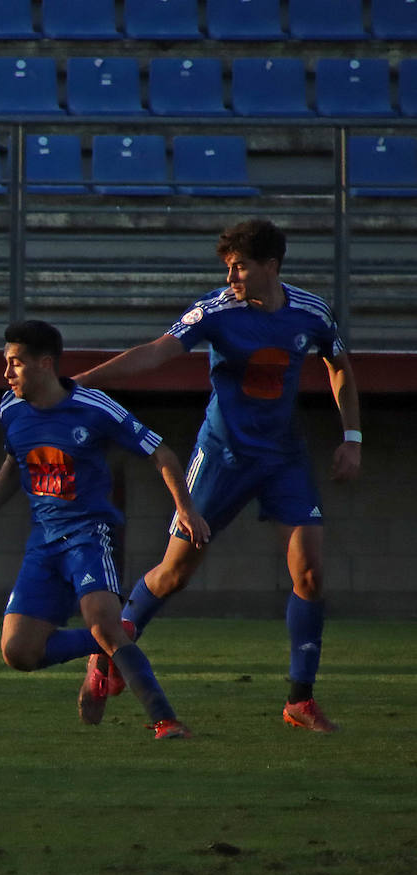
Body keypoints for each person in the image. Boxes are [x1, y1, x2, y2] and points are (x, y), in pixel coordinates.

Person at [73, 219, 361, 733]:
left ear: (271, 266)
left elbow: (338, 364)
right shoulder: (216, 310)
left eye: (241, 266)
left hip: (283, 459)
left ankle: (300, 699)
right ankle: (111, 651)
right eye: (227, 267)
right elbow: (158, 351)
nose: (232, 276)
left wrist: (352, 437)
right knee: (175, 572)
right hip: (222, 456)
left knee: (311, 574)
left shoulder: (311, 312)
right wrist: (84, 383)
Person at [0, 320, 210, 739]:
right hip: (43, 542)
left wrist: (185, 508)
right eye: (6, 363)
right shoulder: (10, 408)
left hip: (90, 535)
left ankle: (165, 719)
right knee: (18, 652)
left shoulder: (95, 408)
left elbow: (161, 452)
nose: (7, 374)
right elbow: (15, 460)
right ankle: (116, 639)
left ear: (45, 364)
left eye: (15, 364)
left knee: (102, 623)